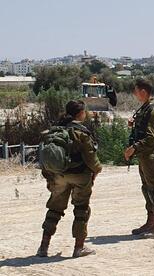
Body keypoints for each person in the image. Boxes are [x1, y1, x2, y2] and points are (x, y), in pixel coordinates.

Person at [37, 100, 102, 258]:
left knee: (55, 209)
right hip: (80, 176)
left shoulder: (56, 130)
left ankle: (43, 247)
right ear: (80, 113)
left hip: (59, 175)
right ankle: (79, 248)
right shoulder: (82, 132)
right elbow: (91, 158)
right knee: (81, 209)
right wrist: (97, 170)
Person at [125, 79, 154, 237]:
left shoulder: (153, 111)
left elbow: (152, 138)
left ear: (143, 92)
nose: (134, 94)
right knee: (146, 188)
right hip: (144, 155)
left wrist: (133, 148)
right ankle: (150, 223)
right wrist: (132, 125)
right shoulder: (145, 109)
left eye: (135, 91)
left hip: (150, 155)